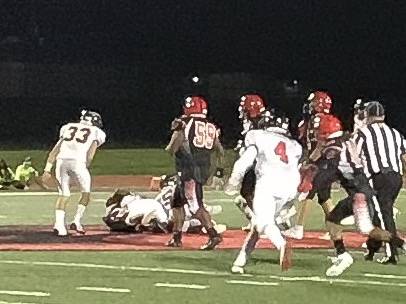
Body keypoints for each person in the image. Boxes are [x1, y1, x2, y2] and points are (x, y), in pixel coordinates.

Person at [225, 108, 303, 274]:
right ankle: (241, 260)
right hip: (290, 187)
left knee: (263, 222)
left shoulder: (259, 136)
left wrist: (233, 183)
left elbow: (244, 162)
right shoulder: (294, 145)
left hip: (269, 182)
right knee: (258, 223)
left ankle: (281, 244)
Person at [165, 95, 225, 249]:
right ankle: (176, 237)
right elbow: (219, 150)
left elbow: (172, 149)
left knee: (194, 205)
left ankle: (213, 235)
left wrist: (175, 133)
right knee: (177, 202)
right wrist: (218, 170)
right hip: (202, 168)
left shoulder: (184, 123)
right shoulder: (211, 126)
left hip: (188, 169)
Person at [353, 101, 406, 265]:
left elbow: (354, 156)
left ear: (367, 116)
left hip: (378, 177)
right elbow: (404, 157)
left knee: (383, 215)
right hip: (395, 177)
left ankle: (392, 253)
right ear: (383, 116)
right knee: (379, 213)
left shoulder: (363, 133)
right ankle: (372, 249)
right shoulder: (396, 133)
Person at [41, 110, 106, 236]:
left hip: (61, 160)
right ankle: (76, 220)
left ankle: (59, 226)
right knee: (86, 193)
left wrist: (47, 169)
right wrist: (84, 167)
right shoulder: (97, 132)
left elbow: (55, 150)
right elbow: (90, 155)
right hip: (78, 162)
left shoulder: (67, 127)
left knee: (63, 194)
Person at [284, 91, 335, 240]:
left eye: (312, 103)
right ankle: (335, 227)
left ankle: (298, 228)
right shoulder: (315, 120)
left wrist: (310, 161)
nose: (309, 106)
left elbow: (321, 144)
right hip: (324, 162)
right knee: (324, 197)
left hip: (321, 162)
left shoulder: (319, 120)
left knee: (305, 194)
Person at [234, 94, 266, 231]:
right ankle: (258, 220)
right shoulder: (251, 122)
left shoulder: (261, 123)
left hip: (260, 162)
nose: (242, 111)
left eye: (245, 109)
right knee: (248, 192)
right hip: (254, 162)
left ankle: (265, 221)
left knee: (249, 192)